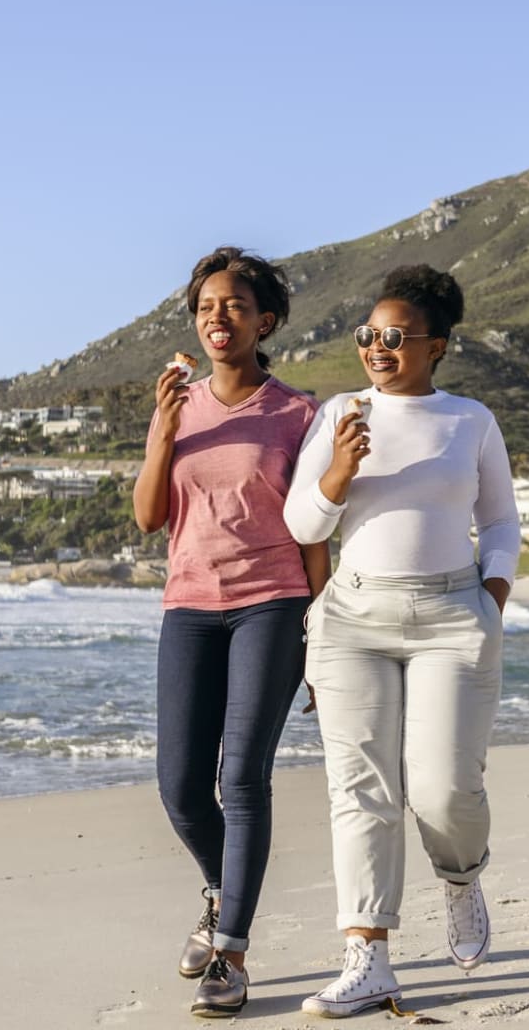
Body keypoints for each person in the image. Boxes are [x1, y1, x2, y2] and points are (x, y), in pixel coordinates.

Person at [283, 265, 519, 1018]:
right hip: (352, 616)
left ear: (436, 346)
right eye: (367, 336)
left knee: (445, 789)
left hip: (454, 612)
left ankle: (460, 878)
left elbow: (503, 521)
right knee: (361, 793)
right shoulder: (338, 415)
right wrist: (341, 470)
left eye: (394, 337)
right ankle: (369, 956)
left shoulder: (470, 420)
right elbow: (303, 526)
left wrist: (493, 595)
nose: (377, 349)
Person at [132, 246, 327, 1018]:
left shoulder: (297, 414)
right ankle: (221, 894)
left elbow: (313, 531)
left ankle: (233, 954)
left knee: (240, 779)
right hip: (189, 606)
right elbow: (149, 517)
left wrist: (320, 627)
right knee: (180, 786)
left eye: (236, 306)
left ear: (265, 321)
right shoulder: (176, 405)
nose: (220, 317)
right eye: (208, 306)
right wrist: (165, 426)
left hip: (271, 604)